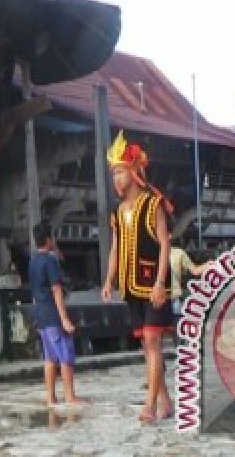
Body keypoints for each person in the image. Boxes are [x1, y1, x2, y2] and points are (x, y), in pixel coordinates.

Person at [101, 131, 174, 424]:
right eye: (114, 174)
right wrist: (108, 280)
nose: (117, 179)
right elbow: (115, 249)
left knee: (153, 341)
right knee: (146, 344)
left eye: (120, 171)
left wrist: (160, 282)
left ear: (133, 172)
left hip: (152, 284)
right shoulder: (118, 213)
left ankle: (150, 405)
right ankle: (165, 401)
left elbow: (165, 242)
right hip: (131, 286)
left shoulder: (152, 203)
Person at [29, 220, 82, 407]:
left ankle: (51, 397)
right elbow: (57, 289)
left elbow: (35, 291)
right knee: (65, 355)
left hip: (40, 314)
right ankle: (70, 397)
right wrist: (65, 318)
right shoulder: (50, 261)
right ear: (49, 239)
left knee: (49, 358)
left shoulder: (33, 261)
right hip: (53, 314)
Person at [169, 235, 206, 318]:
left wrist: (209, 264)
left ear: (170, 235)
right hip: (155, 300)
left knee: (176, 326)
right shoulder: (153, 253)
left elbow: (195, 270)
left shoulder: (179, 253)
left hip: (174, 298)